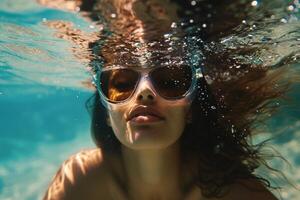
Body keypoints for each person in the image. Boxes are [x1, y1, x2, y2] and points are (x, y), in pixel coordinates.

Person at [42, 0, 299, 199]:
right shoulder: (77, 182)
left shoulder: (239, 195)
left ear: (191, 110)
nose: (145, 92)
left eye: (170, 82)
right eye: (122, 84)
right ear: (107, 115)